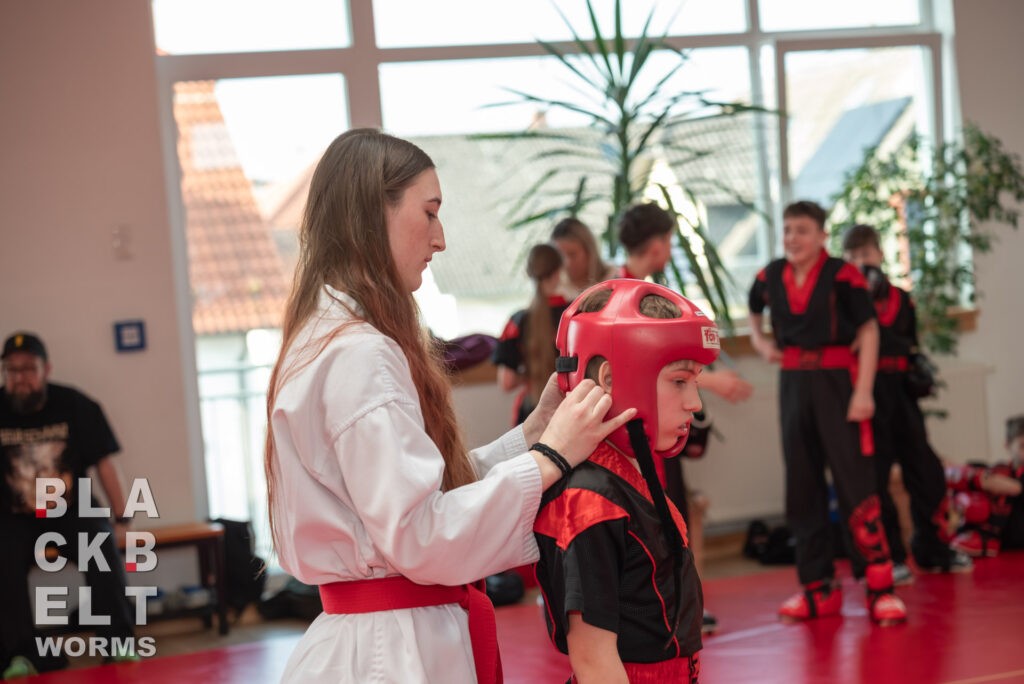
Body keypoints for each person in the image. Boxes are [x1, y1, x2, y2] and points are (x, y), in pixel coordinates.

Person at [263, 128, 637, 684]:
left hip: (382, 638)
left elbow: (422, 493)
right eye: (430, 213)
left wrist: (537, 429)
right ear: (373, 214)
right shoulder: (359, 352)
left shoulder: (325, 337)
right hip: (392, 654)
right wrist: (552, 457)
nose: (440, 239)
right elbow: (421, 534)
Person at [534, 279, 718, 683]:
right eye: (679, 381)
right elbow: (593, 661)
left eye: (695, 383)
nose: (695, 403)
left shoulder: (625, 475)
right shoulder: (588, 500)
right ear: (610, 379)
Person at [748, 200, 906, 625]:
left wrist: (864, 391)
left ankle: (880, 587)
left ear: (821, 235)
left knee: (856, 483)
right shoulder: (770, 275)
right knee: (802, 486)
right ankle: (817, 588)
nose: (792, 238)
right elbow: (754, 308)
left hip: (839, 383)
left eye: (802, 230)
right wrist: (761, 343)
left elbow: (869, 330)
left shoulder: (843, 274)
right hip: (793, 384)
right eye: (787, 229)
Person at [616, 201, 753, 634]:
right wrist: (714, 382)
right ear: (658, 244)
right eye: (669, 241)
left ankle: (677, 606)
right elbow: (650, 367)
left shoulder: (630, 291)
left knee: (669, 514)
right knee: (656, 517)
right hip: (637, 429)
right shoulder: (630, 296)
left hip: (648, 426)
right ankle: (668, 611)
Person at [0, 332, 137, 678]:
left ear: (45, 369)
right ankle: (20, 655)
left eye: (28, 369)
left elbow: (105, 463)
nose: (20, 378)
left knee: (100, 544)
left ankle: (118, 644)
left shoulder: (75, 405)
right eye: (11, 370)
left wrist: (122, 518)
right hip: (14, 517)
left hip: (72, 512)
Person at [841, 224, 972, 580]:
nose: (861, 262)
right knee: (876, 476)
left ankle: (933, 548)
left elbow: (910, 344)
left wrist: (918, 370)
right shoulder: (845, 302)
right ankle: (891, 558)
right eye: (853, 257)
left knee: (926, 470)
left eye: (866, 254)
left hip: (901, 392)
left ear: (880, 254)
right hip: (868, 392)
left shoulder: (902, 299)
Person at [493, 243, 571, 425]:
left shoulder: (517, 322)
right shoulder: (576, 315)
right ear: (558, 272)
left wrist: (533, 375)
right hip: (569, 411)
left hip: (531, 416)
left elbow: (507, 382)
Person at [946, 414, 1024, 557]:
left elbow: (1015, 487)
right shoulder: (1002, 469)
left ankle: (985, 538)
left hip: (1016, 536)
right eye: (1022, 446)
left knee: (989, 482)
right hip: (1003, 539)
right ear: (1007, 445)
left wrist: (976, 477)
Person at [550, 217, 615, 299]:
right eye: (560, 256)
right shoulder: (554, 290)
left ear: (589, 251)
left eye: (572, 254)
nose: (567, 263)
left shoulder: (615, 279)